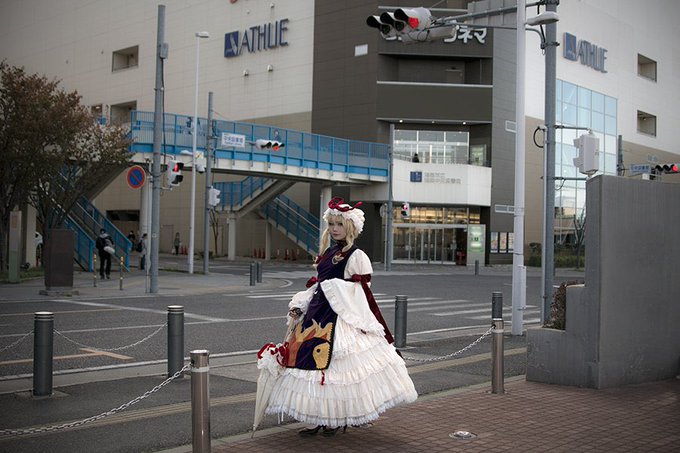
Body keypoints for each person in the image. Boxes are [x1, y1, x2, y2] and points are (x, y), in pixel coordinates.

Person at [265, 197, 417, 436]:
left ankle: (335, 419)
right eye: (332, 224)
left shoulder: (357, 255)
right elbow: (318, 284)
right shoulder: (328, 252)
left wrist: (332, 286)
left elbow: (361, 290)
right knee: (309, 365)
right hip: (316, 315)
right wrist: (300, 305)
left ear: (350, 227)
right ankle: (316, 418)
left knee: (338, 372)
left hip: (342, 318)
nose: (334, 229)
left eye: (339, 224)